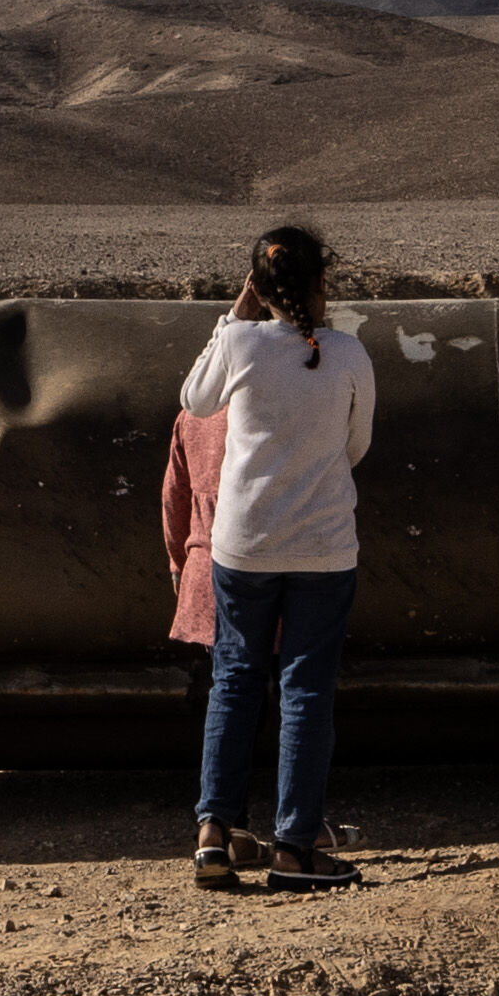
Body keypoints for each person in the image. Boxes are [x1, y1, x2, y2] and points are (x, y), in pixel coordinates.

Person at [176, 222, 374, 890]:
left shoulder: (239, 343)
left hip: (243, 545)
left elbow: (194, 400)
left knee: (234, 680)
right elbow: (356, 448)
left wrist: (233, 316)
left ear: (257, 288)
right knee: (306, 689)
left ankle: (213, 836)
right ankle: (293, 849)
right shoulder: (348, 354)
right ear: (322, 285)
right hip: (322, 548)